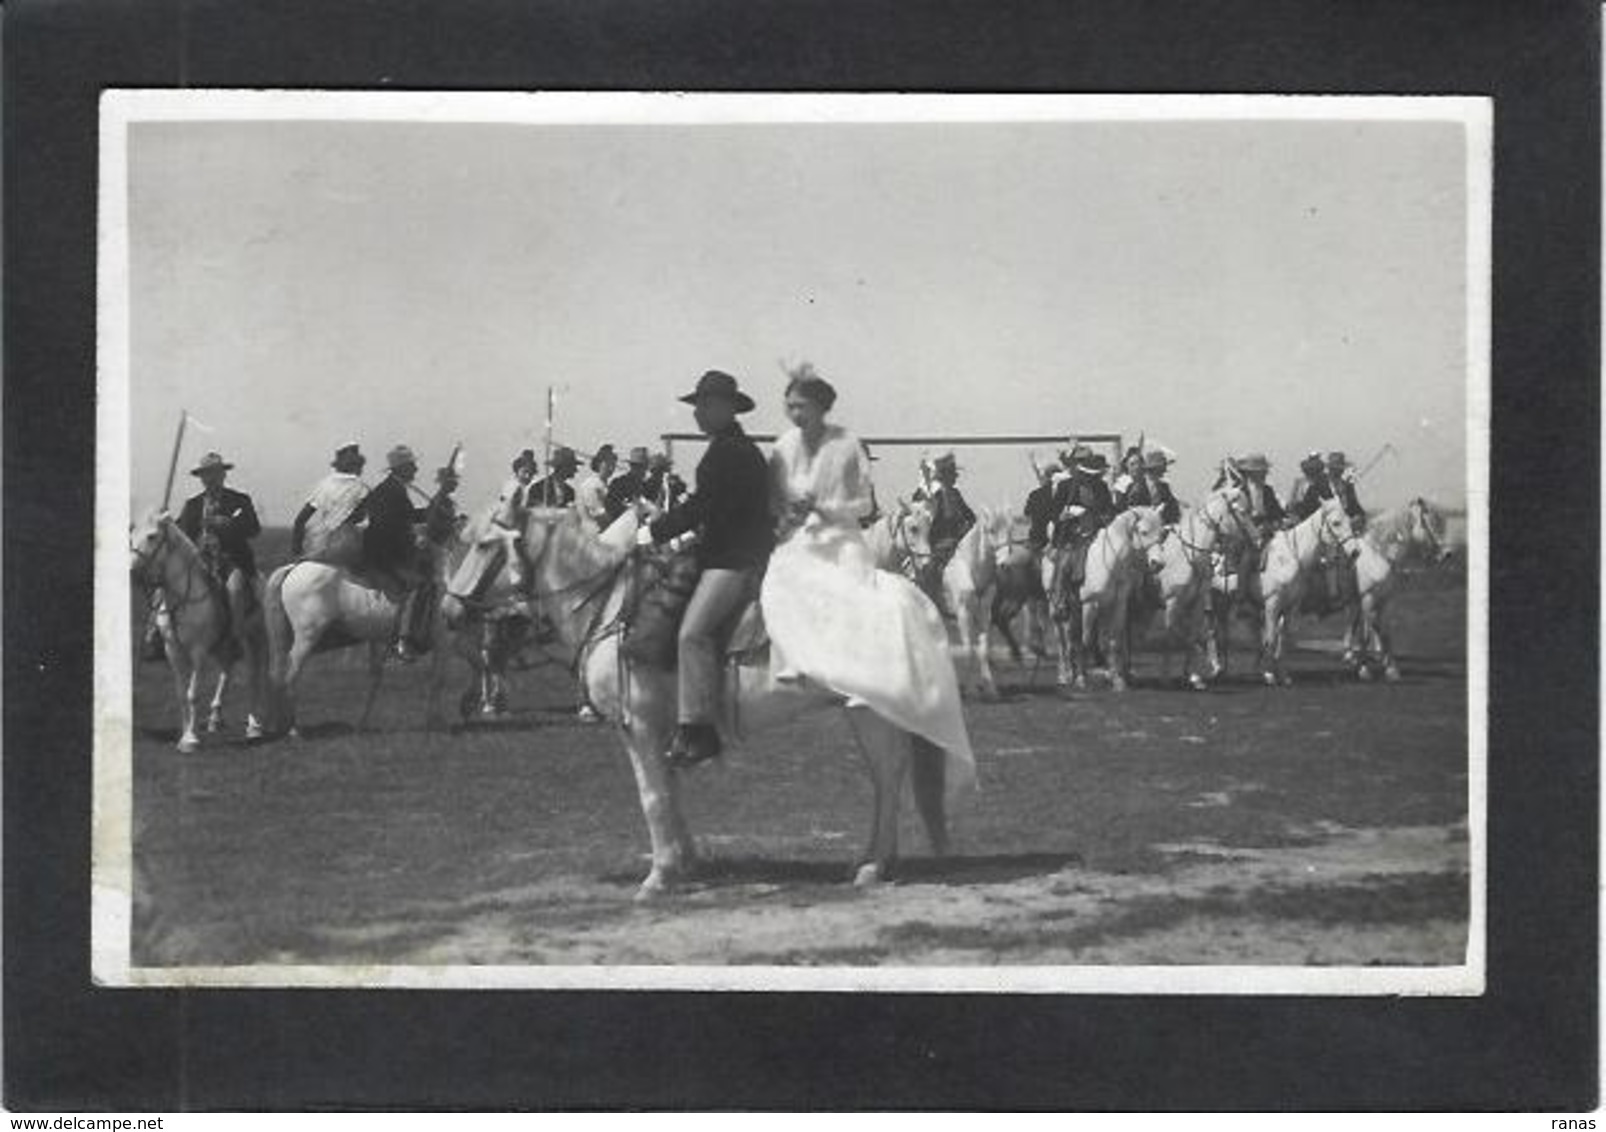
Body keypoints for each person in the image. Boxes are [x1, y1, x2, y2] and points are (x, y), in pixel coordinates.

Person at [759, 365, 976, 789]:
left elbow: (862, 503)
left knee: (855, 586)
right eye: (789, 407)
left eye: (800, 406)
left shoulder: (848, 445)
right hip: (799, 535)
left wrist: (825, 506)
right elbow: (774, 496)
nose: (794, 414)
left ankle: (861, 673)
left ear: (821, 407)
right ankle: (792, 663)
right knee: (777, 576)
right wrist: (788, 511)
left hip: (840, 534)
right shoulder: (783, 446)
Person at [634, 370, 774, 767]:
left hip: (735, 561)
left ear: (727, 408)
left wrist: (655, 532)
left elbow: (703, 508)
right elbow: (715, 512)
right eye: (697, 405)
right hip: (727, 553)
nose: (698, 413)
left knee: (692, 633)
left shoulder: (729, 452)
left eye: (706, 405)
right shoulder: (730, 447)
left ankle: (699, 732)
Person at [175, 451, 262, 632]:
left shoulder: (240, 500)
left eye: (215, 473)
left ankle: (237, 635)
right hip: (198, 563)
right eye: (206, 474)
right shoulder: (192, 505)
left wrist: (230, 525)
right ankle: (157, 637)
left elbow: (254, 529)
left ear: (223, 474)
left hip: (231, 561)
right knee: (168, 590)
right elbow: (180, 531)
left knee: (235, 590)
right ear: (201, 478)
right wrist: (165, 522)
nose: (211, 478)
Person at [358, 444, 430, 658]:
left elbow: (405, 516)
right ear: (401, 469)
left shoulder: (390, 488)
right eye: (412, 466)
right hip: (384, 556)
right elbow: (393, 526)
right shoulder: (392, 491)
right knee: (417, 585)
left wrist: (431, 513)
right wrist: (414, 541)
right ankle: (403, 641)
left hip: (383, 551)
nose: (416, 470)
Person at [1047, 442, 1117, 621]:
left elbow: (1110, 510)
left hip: (1097, 534)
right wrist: (1068, 513)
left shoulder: (1101, 487)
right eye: (1078, 461)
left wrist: (1102, 518)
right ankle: (1060, 599)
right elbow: (1054, 513)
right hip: (1072, 535)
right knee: (1064, 564)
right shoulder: (1065, 487)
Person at [291, 442, 369, 563]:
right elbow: (364, 518)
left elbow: (300, 521)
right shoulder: (363, 488)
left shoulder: (324, 485)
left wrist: (297, 552)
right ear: (356, 466)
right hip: (348, 544)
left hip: (319, 543)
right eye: (360, 466)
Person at [918, 452, 976, 602]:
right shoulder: (934, 498)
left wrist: (966, 528)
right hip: (939, 547)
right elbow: (928, 525)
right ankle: (931, 602)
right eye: (952, 474)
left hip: (958, 545)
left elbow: (971, 517)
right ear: (944, 477)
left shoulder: (956, 494)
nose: (955, 477)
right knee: (930, 573)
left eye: (954, 474)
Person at [576, 444, 617, 533]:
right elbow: (598, 514)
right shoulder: (591, 485)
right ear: (599, 463)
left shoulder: (605, 486)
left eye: (613, 464)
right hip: (591, 534)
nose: (611, 468)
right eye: (608, 463)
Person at [605, 446, 652, 522]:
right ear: (631, 466)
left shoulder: (648, 486)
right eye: (637, 466)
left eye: (642, 466)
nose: (641, 470)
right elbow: (610, 507)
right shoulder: (619, 484)